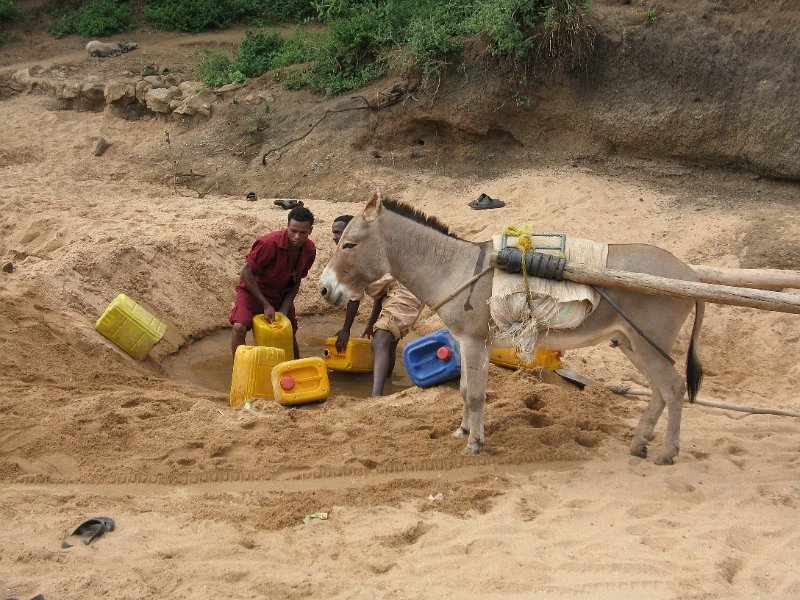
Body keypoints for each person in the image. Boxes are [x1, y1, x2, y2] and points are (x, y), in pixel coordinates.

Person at [331, 214, 424, 396]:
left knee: (380, 341)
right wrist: (370, 324)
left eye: (339, 233)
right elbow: (381, 294)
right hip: (400, 292)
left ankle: (376, 397)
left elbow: (353, 299)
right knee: (387, 342)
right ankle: (388, 388)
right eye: (333, 233)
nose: (335, 237)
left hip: (406, 291)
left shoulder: (357, 257)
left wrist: (346, 330)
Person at [230, 206, 316, 360]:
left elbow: (296, 281)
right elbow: (246, 272)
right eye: (293, 231)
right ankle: (238, 368)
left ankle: (295, 369)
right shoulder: (269, 243)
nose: (297, 236)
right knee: (239, 327)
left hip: (281, 295)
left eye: (302, 233)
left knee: (289, 331)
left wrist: (284, 309)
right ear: (287, 227)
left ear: (310, 230)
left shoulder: (309, 250)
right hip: (253, 291)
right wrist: (265, 305)